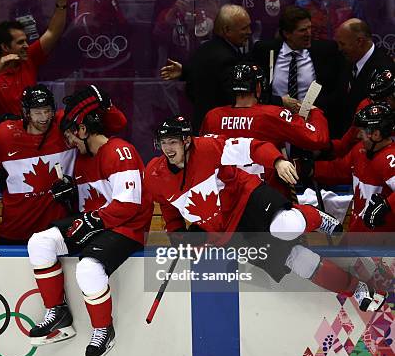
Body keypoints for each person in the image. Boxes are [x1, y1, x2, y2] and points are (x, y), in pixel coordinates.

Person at [145, 116, 387, 311]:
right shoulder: (155, 174)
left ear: (187, 141)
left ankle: (313, 216)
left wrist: (278, 161)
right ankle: (356, 288)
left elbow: (253, 147)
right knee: (299, 261)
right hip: (229, 233)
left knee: (284, 226)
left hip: (247, 198)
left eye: (173, 141)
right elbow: (168, 207)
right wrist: (179, 236)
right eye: (163, 142)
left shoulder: (209, 148)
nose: (167, 148)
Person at [25, 95, 152, 356]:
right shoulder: (82, 161)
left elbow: (127, 206)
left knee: (88, 267)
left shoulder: (120, 151)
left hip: (128, 230)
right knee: (39, 243)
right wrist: (70, 197)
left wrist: (92, 220)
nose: (68, 141)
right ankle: (58, 313)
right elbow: (89, 209)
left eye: (71, 134)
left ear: (83, 129)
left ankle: (104, 330)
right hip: (100, 225)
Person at [0, 84, 126, 244]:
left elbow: (115, 126)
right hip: (15, 232)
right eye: (37, 112)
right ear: (25, 112)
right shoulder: (6, 134)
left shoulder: (64, 125)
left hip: (57, 232)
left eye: (47, 111)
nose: (43, 118)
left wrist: (108, 107)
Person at [200, 62, 329, 199]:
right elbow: (317, 139)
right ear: (258, 87)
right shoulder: (271, 115)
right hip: (266, 202)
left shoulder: (212, 117)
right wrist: (315, 113)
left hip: (225, 200)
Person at [0, 0, 70, 120]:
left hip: (31, 133)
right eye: (20, 42)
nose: (26, 46)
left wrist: (61, 2)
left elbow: (52, 33)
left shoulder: (29, 59)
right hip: (2, 137)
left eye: (26, 41)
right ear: (5, 47)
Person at [300, 102, 395, 233]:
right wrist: (312, 169)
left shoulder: (390, 159)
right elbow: (339, 170)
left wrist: (386, 206)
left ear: (376, 134)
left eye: (362, 131)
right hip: (357, 232)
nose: (358, 135)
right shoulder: (360, 150)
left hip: (383, 243)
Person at [159, 4, 252, 132]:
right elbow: (236, 99)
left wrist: (185, 72)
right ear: (227, 30)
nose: (249, 32)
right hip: (220, 132)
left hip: (201, 127)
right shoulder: (228, 59)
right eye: (244, 28)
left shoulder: (204, 49)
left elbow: (193, 89)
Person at [251, 5, 344, 122]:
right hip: (274, 121)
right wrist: (279, 102)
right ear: (287, 33)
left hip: (311, 123)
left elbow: (336, 91)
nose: (309, 33)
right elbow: (254, 92)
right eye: (302, 30)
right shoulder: (264, 51)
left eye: (310, 28)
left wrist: (314, 111)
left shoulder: (326, 51)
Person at [335, 18, 394, 137]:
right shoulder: (348, 59)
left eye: (342, 44)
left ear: (359, 41)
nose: (339, 49)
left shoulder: (384, 71)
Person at [330, 68, 394, 158]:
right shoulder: (366, 105)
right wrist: (327, 147)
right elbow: (346, 142)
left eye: (386, 100)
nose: (375, 106)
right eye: (373, 100)